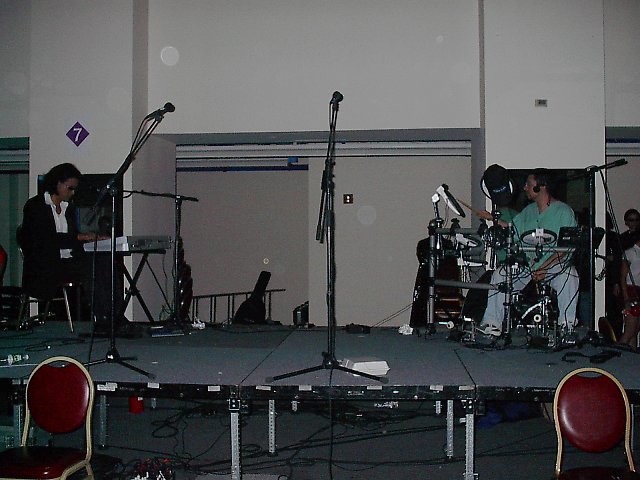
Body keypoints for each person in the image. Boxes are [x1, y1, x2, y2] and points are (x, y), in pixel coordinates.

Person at [476, 168, 580, 337]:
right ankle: (492, 324)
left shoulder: (564, 212)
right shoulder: (528, 211)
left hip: (554, 267)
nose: (525, 187)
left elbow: (566, 248)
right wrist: (492, 219)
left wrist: (544, 268)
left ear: (541, 186)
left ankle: (566, 326)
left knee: (570, 275)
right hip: (529, 266)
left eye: (528, 184)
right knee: (501, 274)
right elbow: (513, 230)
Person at [20, 163, 107, 321]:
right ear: (57, 183)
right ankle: (102, 316)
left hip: (68, 262)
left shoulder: (69, 208)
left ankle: (109, 314)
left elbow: (72, 240)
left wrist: (92, 239)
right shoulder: (35, 206)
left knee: (103, 263)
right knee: (91, 267)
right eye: (70, 188)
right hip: (45, 264)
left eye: (74, 189)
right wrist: (80, 237)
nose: (73, 193)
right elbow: (45, 240)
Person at [618, 234, 640, 348]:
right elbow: (623, 277)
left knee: (635, 331)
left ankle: (632, 355)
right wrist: (626, 297)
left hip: (638, 290)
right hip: (631, 290)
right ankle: (617, 352)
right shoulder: (630, 252)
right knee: (629, 331)